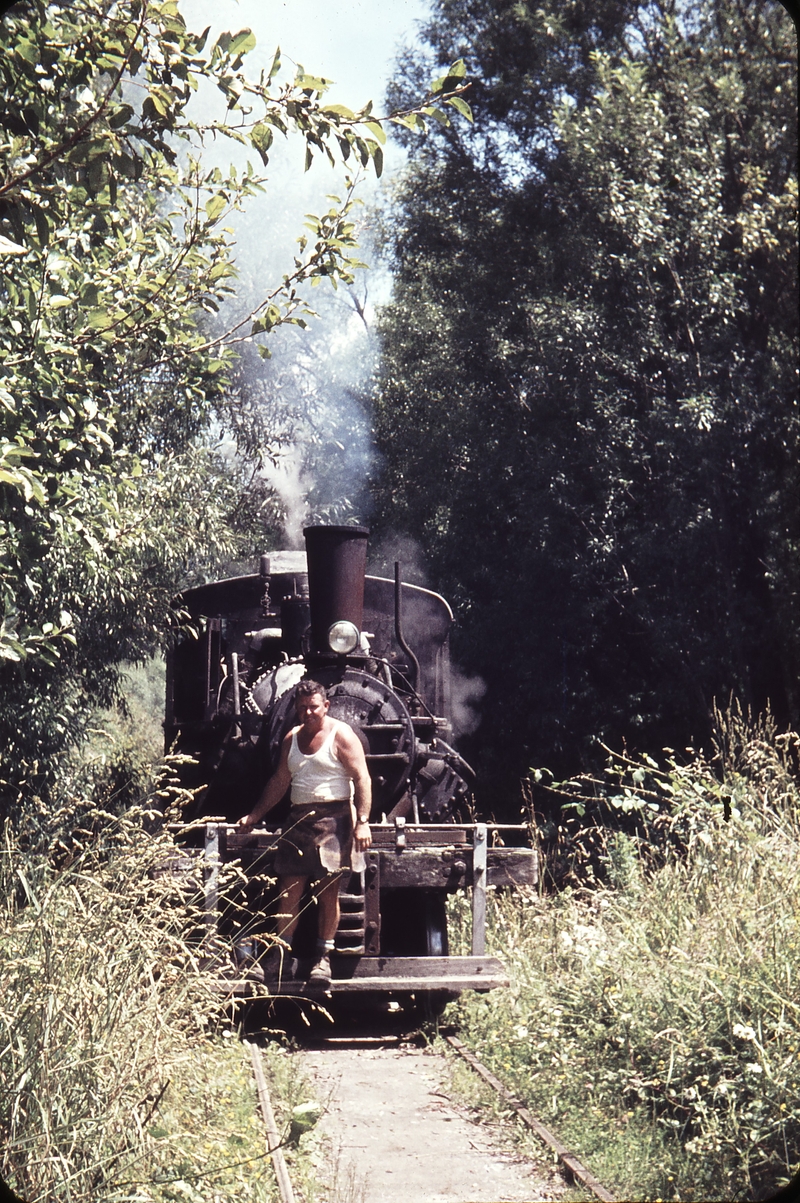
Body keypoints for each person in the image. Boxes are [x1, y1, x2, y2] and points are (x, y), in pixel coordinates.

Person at [238, 679, 372, 985]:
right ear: (296, 709)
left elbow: (362, 779)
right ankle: (278, 958)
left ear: (326, 706)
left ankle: (322, 961)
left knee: (327, 894)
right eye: (302, 708)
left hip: (334, 820)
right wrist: (254, 815)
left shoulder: (342, 735)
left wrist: (362, 821)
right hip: (298, 821)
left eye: (314, 707)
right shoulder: (291, 738)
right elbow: (280, 781)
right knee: (289, 892)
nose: (308, 712)